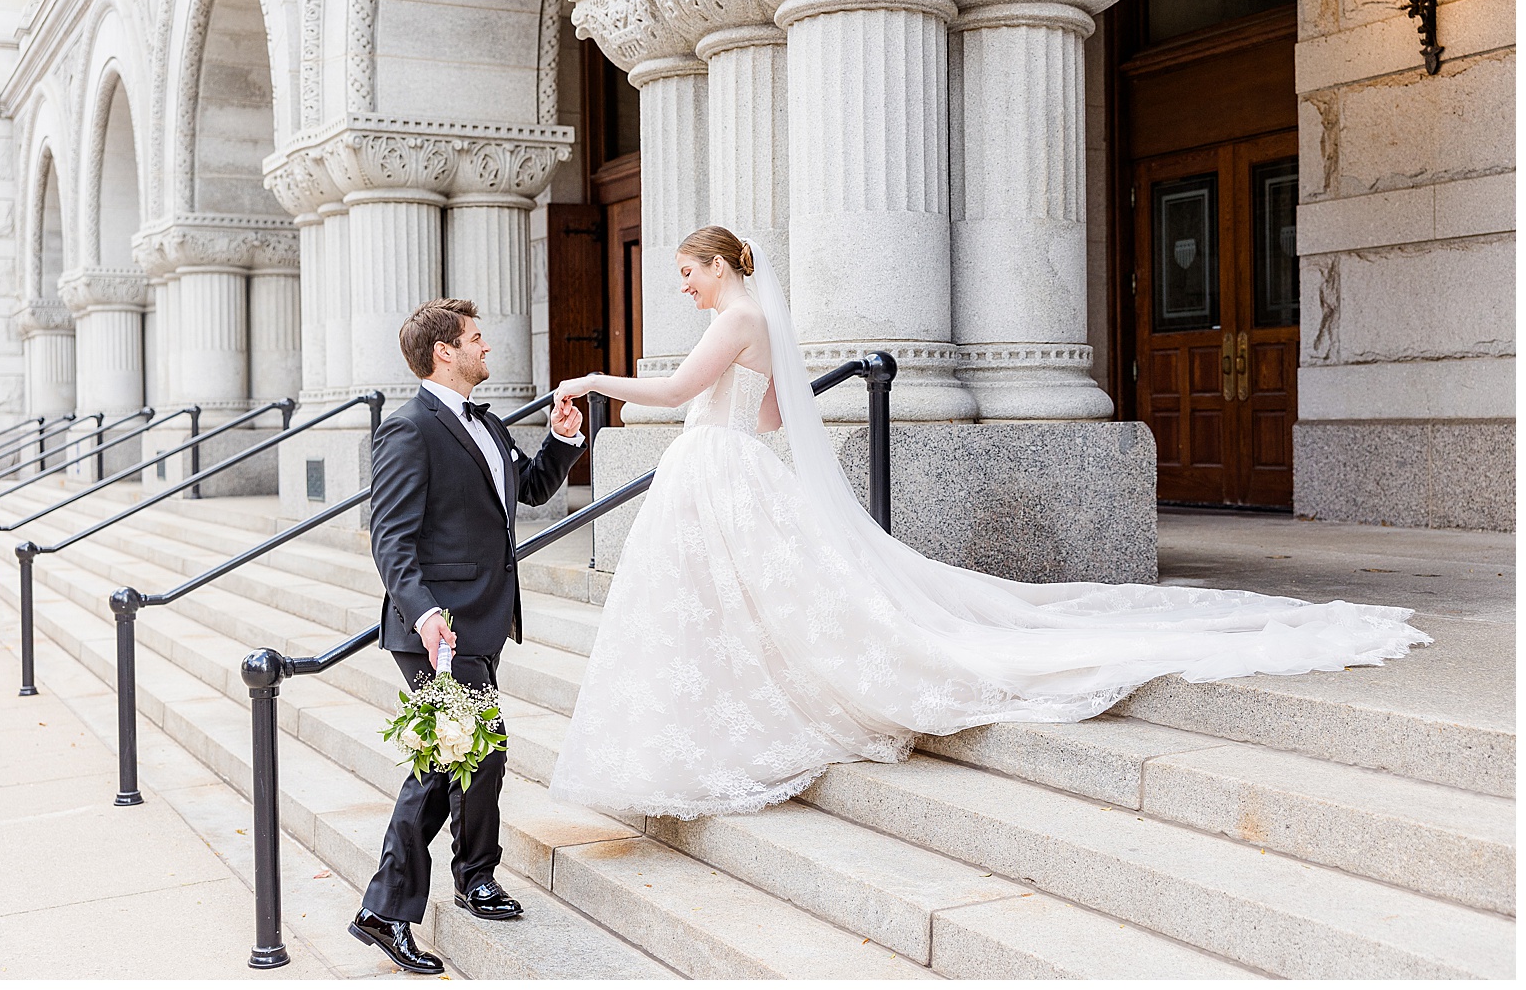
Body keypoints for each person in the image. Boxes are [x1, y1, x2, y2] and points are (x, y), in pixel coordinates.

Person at [546, 225, 1429, 821]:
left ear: (719, 266)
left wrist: (589, 381)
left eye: (688, 271)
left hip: (713, 467)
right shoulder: (757, 323)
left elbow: (674, 390)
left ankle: (714, 723)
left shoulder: (736, 317)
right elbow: (774, 414)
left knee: (720, 604)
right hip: (730, 463)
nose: (685, 285)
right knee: (737, 603)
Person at [349, 298, 585, 975]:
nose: (487, 346)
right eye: (476, 337)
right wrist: (424, 613)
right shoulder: (408, 429)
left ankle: (462, 881)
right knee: (462, 756)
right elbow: (391, 539)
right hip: (436, 628)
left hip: (481, 618)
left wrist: (562, 441)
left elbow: (529, 490)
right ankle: (395, 905)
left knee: (466, 757)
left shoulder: (486, 422)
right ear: (444, 351)